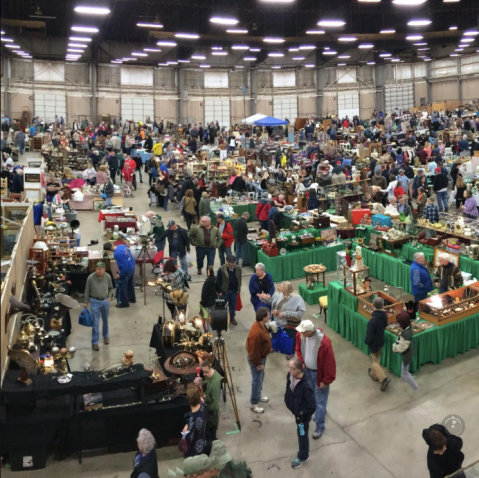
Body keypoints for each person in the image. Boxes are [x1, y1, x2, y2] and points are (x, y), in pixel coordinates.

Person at [295, 320, 336, 439]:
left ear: (309, 331)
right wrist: (302, 362)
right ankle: (320, 414)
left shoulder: (324, 343)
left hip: (319, 375)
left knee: (320, 403)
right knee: (312, 397)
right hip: (308, 372)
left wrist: (325, 380)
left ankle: (319, 427)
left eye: (303, 331)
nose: (300, 333)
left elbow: (330, 364)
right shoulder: (301, 335)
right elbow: (298, 349)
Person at [284, 356, 317, 470]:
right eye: (289, 367)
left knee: (302, 434)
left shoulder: (306, 385)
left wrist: (302, 414)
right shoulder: (290, 376)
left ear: (299, 369)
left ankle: (303, 456)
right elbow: (289, 389)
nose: (290, 370)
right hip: (296, 411)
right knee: (301, 432)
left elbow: (312, 406)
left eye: (292, 368)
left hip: (302, 417)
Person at [259, 281, 306, 357]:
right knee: (275, 334)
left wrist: (284, 314)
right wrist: (263, 298)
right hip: (276, 321)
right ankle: (274, 346)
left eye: (282, 287)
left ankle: (290, 352)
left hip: (289, 323)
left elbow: (300, 313)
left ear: (287, 289)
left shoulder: (297, 298)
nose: (279, 288)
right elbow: (271, 301)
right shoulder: (278, 294)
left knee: (290, 338)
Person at [245, 307, 272, 414]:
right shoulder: (256, 333)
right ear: (263, 317)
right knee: (257, 381)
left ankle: (258, 394)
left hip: (261, 357)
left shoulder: (261, 325)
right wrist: (258, 364)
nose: (269, 316)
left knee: (260, 378)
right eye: (268, 315)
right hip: (257, 360)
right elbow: (254, 351)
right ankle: (254, 403)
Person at [83, 262, 114, 351]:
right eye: (96, 269)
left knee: (105, 320)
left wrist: (109, 297)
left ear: (104, 269)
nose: (98, 271)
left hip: (105, 301)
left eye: (100, 269)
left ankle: (106, 337)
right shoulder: (91, 278)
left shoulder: (107, 277)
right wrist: (86, 301)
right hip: (94, 301)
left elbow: (111, 288)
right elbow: (87, 290)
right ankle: (95, 342)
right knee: (95, 323)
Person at [364, 297, 391, 392]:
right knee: (377, 359)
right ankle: (373, 374)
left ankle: (384, 379)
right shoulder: (384, 316)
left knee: (375, 362)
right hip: (381, 341)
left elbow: (369, 335)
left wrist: (367, 342)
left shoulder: (373, 321)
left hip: (374, 344)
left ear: (372, 305)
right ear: (383, 305)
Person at [195, 360, 223, 444]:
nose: (204, 374)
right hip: (208, 406)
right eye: (203, 372)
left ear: (210, 368)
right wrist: (201, 383)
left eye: (206, 372)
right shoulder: (210, 375)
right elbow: (207, 383)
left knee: (211, 435)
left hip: (212, 414)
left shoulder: (215, 383)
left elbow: (213, 406)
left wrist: (203, 402)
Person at [105, 241, 136, 308]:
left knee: (122, 286)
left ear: (109, 250)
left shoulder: (117, 254)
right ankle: (132, 298)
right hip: (132, 266)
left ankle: (125, 302)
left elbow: (124, 266)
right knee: (130, 284)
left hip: (127, 270)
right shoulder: (122, 246)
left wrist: (120, 274)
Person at [393, 312, 419, 391]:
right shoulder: (408, 326)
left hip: (407, 354)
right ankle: (404, 379)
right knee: (403, 369)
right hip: (409, 351)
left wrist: (394, 346)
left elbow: (402, 348)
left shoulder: (406, 334)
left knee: (405, 372)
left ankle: (415, 388)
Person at [183, 384, 207, 458]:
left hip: (195, 450)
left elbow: (190, 439)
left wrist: (184, 433)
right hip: (203, 439)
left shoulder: (193, 420)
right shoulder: (202, 405)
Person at [217, 255, 241, 326]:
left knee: (233, 305)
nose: (230, 264)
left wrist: (239, 289)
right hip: (224, 292)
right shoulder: (221, 269)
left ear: (235, 262)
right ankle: (220, 319)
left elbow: (239, 279)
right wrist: (219, 291)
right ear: (226, 261)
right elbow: (218, 281)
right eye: (229, 262)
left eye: (232, 262)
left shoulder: (238, 269)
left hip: (234, 291)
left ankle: (232, 318)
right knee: (221, 305)